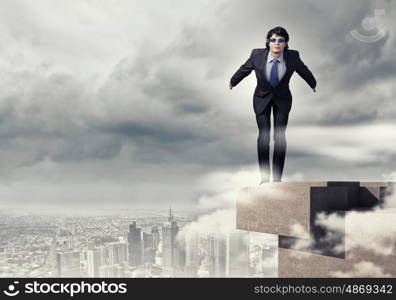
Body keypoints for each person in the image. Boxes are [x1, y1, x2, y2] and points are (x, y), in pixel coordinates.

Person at [229, 26, 316, 184]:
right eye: (274, 40)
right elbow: (245, 69)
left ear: (286, 43)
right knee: (264, 136)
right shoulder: (257, 55)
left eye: (281, 40)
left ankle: (276, 179)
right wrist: (233, 81)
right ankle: (264, 177)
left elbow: (303, 70)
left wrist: (313, 83)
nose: (277, 43)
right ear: (268, 42)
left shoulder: (293, 57)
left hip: (282, 100)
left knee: (280, 138)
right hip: (261, 99)